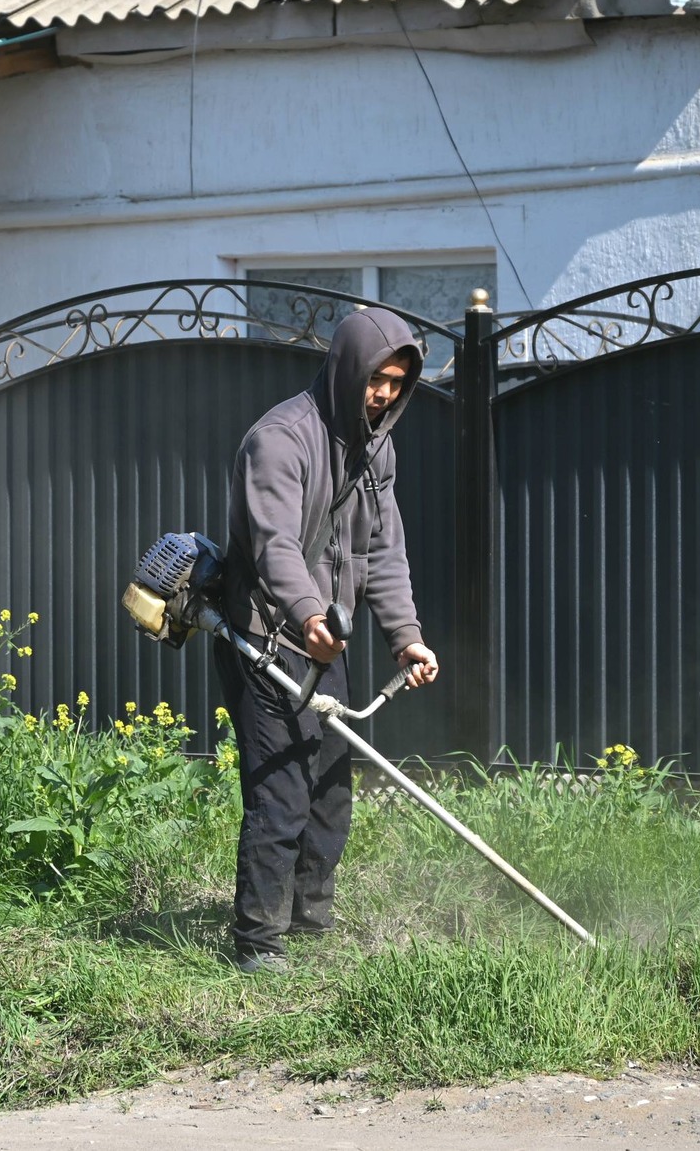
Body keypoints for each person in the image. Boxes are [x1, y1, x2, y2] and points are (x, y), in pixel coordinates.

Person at [217, 308, 441, 974]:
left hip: (324, 643)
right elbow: (275, 546)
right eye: (379, 378)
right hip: (267, 635)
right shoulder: (280, 440)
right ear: (349, 367)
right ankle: (258, 939)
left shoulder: (377, 449)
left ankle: (310, 923)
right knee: (281, 791)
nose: (386, 393)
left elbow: (384, 550)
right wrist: (310, 614)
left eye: (398, 382)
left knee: (331, 791)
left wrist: (407, 637)